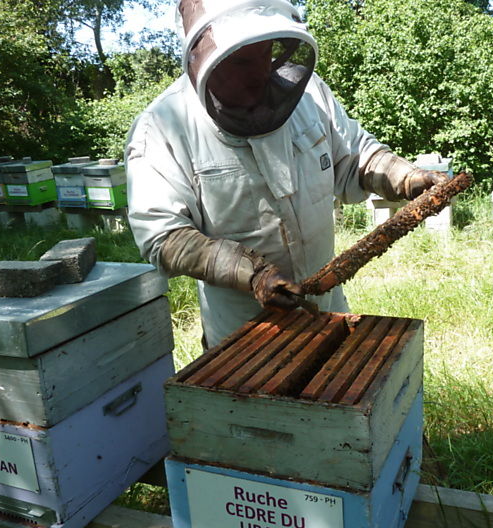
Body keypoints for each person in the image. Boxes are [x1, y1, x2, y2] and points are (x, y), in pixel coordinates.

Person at [125, 0, 450, 348]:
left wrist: (405, 176)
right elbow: (163, 236)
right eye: (242, 60)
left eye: (266, 52)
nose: (261, 71)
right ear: (203, 58)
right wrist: (251, 274)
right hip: (243, 332)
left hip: (328, 312)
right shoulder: (162, 127)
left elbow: (355, 156)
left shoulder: (310, 94)